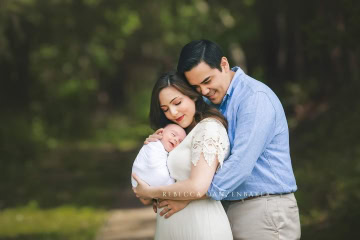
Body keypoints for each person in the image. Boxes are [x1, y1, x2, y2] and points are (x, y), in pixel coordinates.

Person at [146, 40, 301, 240]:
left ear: (224, 64)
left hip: (264, 209)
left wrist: (188, 195)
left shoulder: (255, 98)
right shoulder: (212, 103)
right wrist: (162, 142)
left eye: (207, 80)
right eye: (195, 86)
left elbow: (240, 166)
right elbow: (193, 152)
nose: (203, 91)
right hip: (226, 210)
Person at [132, 71, 233, 240]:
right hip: (170, 228)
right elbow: (144, 196)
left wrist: (152, 192)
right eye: (165, 109)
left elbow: (196, 187)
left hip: (201, 227)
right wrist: (154, 149)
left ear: (193, 96)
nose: (172, 112)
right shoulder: (178, 135)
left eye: (177, 102)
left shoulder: (209, 128)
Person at [131, 123, 186, 188]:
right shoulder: (153, 145)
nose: (176, 140)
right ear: (160, 132)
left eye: (180, 141)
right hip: (140, 179)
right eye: (173, 134)